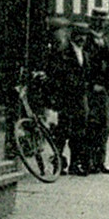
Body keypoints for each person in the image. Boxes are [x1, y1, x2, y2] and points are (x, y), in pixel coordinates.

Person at [42, 16, 85, 175]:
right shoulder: (63, 51)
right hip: (65, 97)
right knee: (62, 132)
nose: (82, 38)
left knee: (78, 133)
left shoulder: (83, 53)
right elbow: (58, 74)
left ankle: (75, 164)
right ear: (72, 34)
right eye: (79, 34)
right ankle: (59, 164)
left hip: (80, 99)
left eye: (85, 35)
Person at [79, 18, 109, 174]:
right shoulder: (86, 41)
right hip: (91, 90)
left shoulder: (104, 40)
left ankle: (100, 162)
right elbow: (85, 66)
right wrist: (93, 83)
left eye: (103, 22)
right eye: (98, 21)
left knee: (104, 126)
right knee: (90, 126)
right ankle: (87, 162)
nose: (101, 25)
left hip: (104, 90)